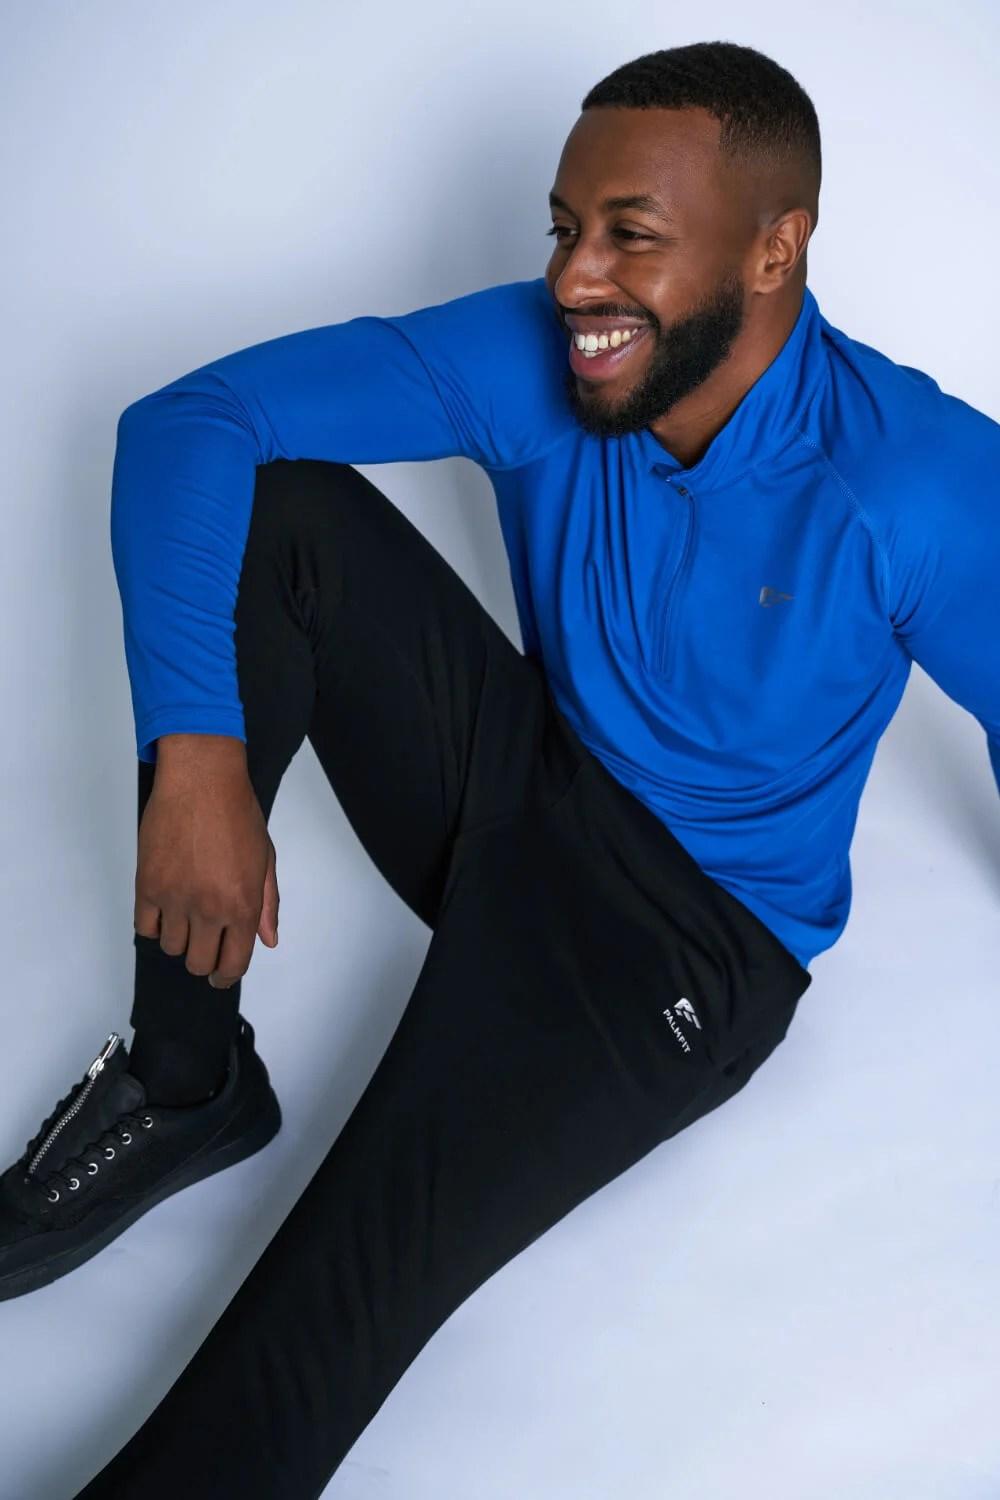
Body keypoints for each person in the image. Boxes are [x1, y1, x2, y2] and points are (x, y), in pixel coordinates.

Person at [1, 35, 996, 1497]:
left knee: (332, 1294)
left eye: (631, 236)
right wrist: (196, 753)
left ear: (776, 250)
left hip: (681, 946)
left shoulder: (916, 480)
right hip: (528, 775)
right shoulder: (556, 358)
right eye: (565, 227)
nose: (576, 277)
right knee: (283, 514)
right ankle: (185, 1077)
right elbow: (192, 422)